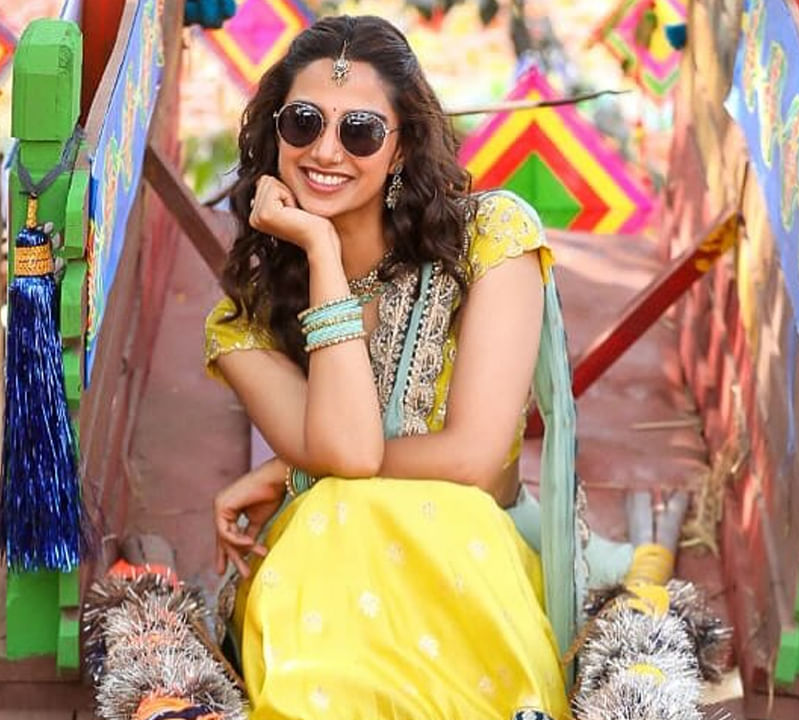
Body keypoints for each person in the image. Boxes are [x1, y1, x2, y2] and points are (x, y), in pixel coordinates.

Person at [204, 15, 570, 720]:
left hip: (467, 566)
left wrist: (292, 471)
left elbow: (473, 460)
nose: (326, 151)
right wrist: (319, 249)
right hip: (324, 578)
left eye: (361, 132)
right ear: (275, 134)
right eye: (304, 123)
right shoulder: (243, 319)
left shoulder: (492, 240)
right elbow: (349, 453)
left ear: (400, 147)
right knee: (337, 509)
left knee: (384, 503)